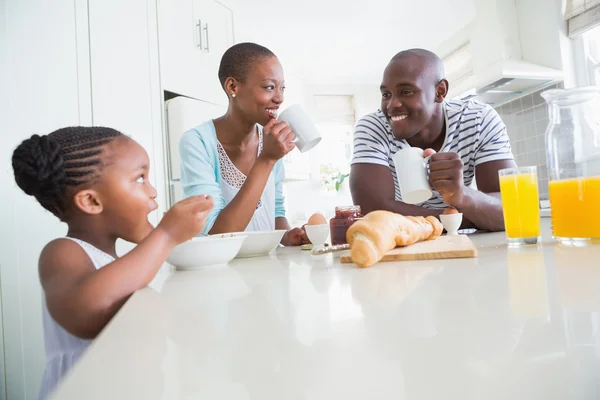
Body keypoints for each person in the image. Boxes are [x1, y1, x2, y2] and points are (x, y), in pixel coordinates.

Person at [11, 127, 213, 399]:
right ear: (92, 201)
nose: (153, 191)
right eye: (140, 178)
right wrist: (166, 235)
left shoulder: (117, 263)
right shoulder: (63, 252)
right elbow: (84, 310)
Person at [350, 49, 517, 231]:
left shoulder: (478, 119)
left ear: (440, 91)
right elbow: (373, 212)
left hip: (451, 242)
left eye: (406, 91)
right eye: (386, 94)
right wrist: (458, 218)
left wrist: (461, 196)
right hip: (405, 244)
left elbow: (514, 209)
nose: (392, 105)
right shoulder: (373, 127)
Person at [179, 42, 308, 245]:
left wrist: (288, 236)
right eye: (269, 87)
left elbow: (276, 211)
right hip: (222, 272)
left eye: (282, 88)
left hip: (267, 270)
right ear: (233, 86)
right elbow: (216, 236)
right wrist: (267, 159)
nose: (280, 97)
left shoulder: (270, 140)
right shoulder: (198, 142)